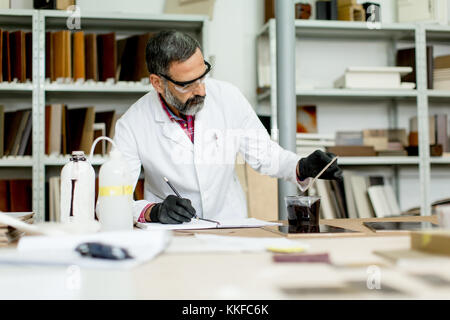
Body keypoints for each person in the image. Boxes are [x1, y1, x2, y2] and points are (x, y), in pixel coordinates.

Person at [114, 30, 342, 225]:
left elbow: (265, 155)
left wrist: (302, 166)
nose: (201, 91)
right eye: (187, 85)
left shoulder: (228, 97)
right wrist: (152, 212)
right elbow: (111, 200)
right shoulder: (132, 124)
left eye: (202, 77)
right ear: (157, 83)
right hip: (171, 234)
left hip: (229, 226)